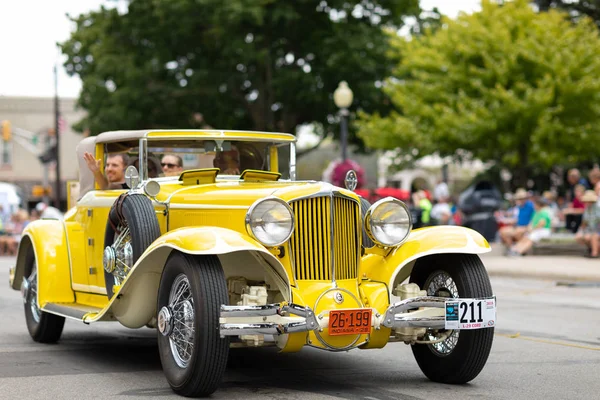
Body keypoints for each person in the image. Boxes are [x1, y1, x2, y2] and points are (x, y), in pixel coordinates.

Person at [574, 190, 600, 258]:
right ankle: (592, 249)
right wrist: (580, 231)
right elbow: (584, 222)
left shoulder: (598, 207)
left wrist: (595, 233)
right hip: (590, 229)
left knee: (593, 236)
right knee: (581, 237)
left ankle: (594, 253)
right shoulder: (587, 209)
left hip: (598, 229)